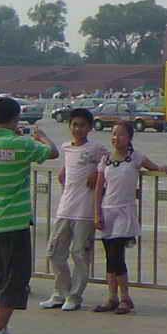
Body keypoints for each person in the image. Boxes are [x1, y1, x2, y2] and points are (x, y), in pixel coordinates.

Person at [0, 96, 59, 334]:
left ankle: (0, 327)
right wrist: (41, 137)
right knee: (16, 276)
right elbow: (52, 152)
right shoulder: (21, 144)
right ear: (15, 117)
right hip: (13, 221)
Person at [93, 122, 167, 314]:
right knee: (110, 257)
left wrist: (163, 168)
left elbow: (154, 167)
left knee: (117, 255)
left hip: (125, 212)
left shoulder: (136, 157)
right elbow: (99, 188)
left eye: (120, 134)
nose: (116, 138)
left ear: (129, 138)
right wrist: (97, 213)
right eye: (113, 134)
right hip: (107, 210)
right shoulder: (105, 160)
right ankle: (112, 297)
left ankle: (125, 298)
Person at [39, 108, 107, 312]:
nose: (78, 129)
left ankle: (75, 296)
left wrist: (98, 174)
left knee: (80, 255)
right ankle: (60, 292)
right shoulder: (66, 147)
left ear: (90, 127)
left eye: (82, 125)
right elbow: (66, 171)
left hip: (85, 211)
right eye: (75, 125)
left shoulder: (97, 149)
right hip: (65, 208)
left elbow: (112, 163)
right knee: (55, 252)